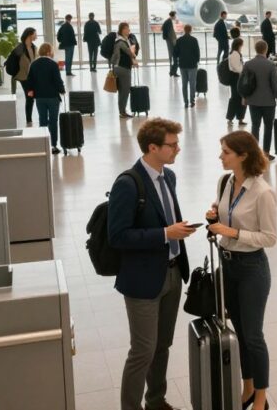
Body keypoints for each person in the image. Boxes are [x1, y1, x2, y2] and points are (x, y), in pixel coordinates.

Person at [108, 118, 195, 410]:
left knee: (162, 346)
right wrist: (164, 234)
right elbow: (118, 236)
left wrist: (176, 230)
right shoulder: (127, 184)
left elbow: (165, 217)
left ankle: (156, 400)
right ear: (152, 147)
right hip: (143, 280)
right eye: (172, 145)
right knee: (142, 350)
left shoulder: (168, 177)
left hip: (171, 273)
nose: (178, 149)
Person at [205, 130, 277, 410]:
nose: (220, 157)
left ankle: (261, 396)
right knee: (238, 331)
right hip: (228, 265)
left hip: (251, 269)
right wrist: (215, 215)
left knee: (253, 335)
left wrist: (233, 232)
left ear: (243, 156)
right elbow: (224, 213)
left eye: (226, 152)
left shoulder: (263, 193)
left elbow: (270, 238)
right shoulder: (226, 182)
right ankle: (247, 387)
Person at [242, 40, 277, 158]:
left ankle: (254, 153)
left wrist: (244, 98)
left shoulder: (248, 64)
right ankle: (266, 152)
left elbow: (244, 83)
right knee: (268, 127)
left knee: (255, 126)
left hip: (253, 101)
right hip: (268, 102)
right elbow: (275, 84)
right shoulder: (270, 65)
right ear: (265, 49)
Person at [25, 43, 65, 154]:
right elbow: (57, 80)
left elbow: (30, 80)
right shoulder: (53, 64)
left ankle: (44, 144)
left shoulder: (34, 64)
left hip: (40, 97)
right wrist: (62, 89)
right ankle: (53, 145)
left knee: (42, 120)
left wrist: (30, 91)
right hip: (52, 97)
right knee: (53, 121)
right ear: (48, 52)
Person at [112, 22, 138, 119]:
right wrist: (134, 56)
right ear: (122, 30)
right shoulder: (121, 41)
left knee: (122, 91)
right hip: (123, 68)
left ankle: (122, 111)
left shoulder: (118, 40)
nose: (129, 30)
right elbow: (130, 53)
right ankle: (123, 111)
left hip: (117, 67)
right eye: (127, 29)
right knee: (125, 91)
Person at [13, 27, 38, 126]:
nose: (36, 36)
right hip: (23, 76)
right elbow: (13, 61)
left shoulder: (34, 47)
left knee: (31, 96)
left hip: (32, 76)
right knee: (29, 96)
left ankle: (29, 119)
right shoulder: (20, 48)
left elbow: (34, 62)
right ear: (29, 35)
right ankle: (29, 119)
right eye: (35, 34)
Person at [174, 24, 201, 108]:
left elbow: (175, 53)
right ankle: (192, 101)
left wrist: (179, 59)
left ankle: (186, 102)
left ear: (184, 30)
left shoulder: (179, 40)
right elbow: (197, 52)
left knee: (184, 84)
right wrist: (197, 61)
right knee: (192, 84)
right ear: (190, 30)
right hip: (192, 65)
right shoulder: (194, 40)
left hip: (182, 64)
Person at [226, 37, 247, 127]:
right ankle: (231, 118)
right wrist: (244, 69)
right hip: (236, 78)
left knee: (240, 98)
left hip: (238, 77)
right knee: (236, 98)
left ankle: (240, 118)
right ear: (239, 45)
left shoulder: (236, 53)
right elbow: (236, 67)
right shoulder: (235, 54)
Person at [161, 11, 179, 77]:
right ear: (173, 15)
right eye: (175, 15)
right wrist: (175, 43)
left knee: (172, 57)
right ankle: (173, 72)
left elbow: (162, 29)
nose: (175, 17)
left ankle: (172, 71)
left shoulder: (167, 21)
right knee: (174, 57)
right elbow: (170, 34)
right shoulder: (169, 22)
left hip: (170, 41)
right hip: (171, 42)